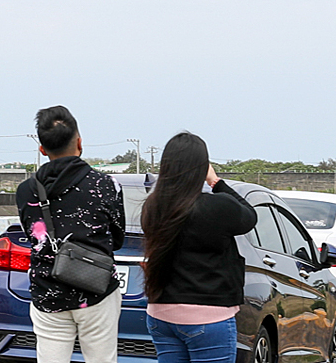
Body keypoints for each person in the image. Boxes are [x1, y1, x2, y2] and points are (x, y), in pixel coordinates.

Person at [15, 106, 125, 363]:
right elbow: (116, 239)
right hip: (97, 290)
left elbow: (34, 235)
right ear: (79, 141)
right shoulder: (105, 184)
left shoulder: (26, 191)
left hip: (47, 292)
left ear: (42, 149)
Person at [140, 132, 257, 363]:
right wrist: (216, 182)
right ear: (202, 167)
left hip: (161, 314)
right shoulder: (217, 207)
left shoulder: (153, 207)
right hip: (208, 316)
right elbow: (249, 216)